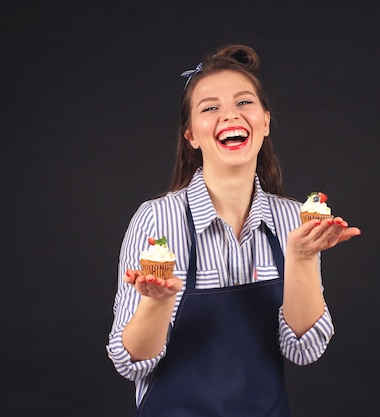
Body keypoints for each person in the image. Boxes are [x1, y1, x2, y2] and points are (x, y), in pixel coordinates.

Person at [106, 44, 361, 417]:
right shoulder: (157, 220)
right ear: (191, 135)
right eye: (210, 108)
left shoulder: (294, 221)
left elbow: (304, 349)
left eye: (244, 103)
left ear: (266, 121)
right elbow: (131, 362)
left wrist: (302, 257)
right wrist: (157, 302)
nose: (230, 115)